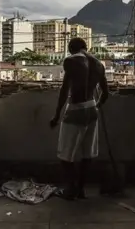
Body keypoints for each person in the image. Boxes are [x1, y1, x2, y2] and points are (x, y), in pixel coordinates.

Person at [49, 37, 109, 200]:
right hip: (91, 110)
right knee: (87, 154)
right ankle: (81, 189)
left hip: (75, 110)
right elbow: (106, 93)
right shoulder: (99, 64)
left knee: (65, 155)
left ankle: (71, 190)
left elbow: (64, 90)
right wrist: (95, 106)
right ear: (85, 47)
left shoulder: (71, 61)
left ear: (71, 48)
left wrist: (56, 116)